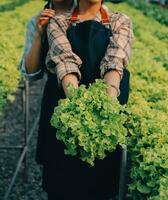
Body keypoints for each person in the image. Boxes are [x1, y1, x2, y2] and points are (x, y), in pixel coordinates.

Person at [19, 0, 133, 199]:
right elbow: (60, 65)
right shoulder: (55, 21)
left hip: (104, 107)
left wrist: (106, 107)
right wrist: (78, 107)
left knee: (100, 185)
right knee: (62, 183)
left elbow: (115, 62)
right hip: (65, 105)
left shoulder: (118, 20)